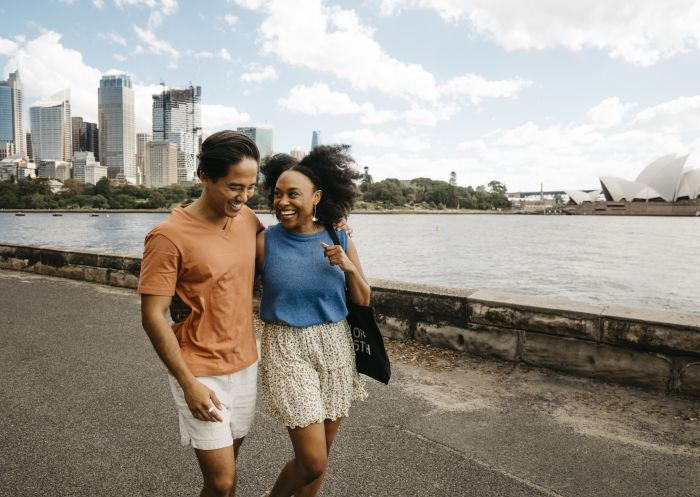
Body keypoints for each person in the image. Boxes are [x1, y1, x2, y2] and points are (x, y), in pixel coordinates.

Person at [138, 130, 263, 497]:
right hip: (199, 370)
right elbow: (153, 316)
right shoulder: (167, 236)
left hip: (244, 363)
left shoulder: (248, 219)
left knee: (226, 475)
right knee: (223, 482)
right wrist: (188, 383)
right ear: (204, 176)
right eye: (234, 187)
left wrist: (335, 230)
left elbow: (283, 251)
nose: (243, 197)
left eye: (251, 187)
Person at [256, 145, 370, 497]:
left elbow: (363, 299)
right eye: (277, 194)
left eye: (293, 194)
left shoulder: (339, 236)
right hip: (287, 346)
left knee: (324, 450)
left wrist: (348, 267)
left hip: (335, 345)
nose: (283, 202)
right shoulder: (264, 241)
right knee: (313, 460)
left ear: (317, 197)